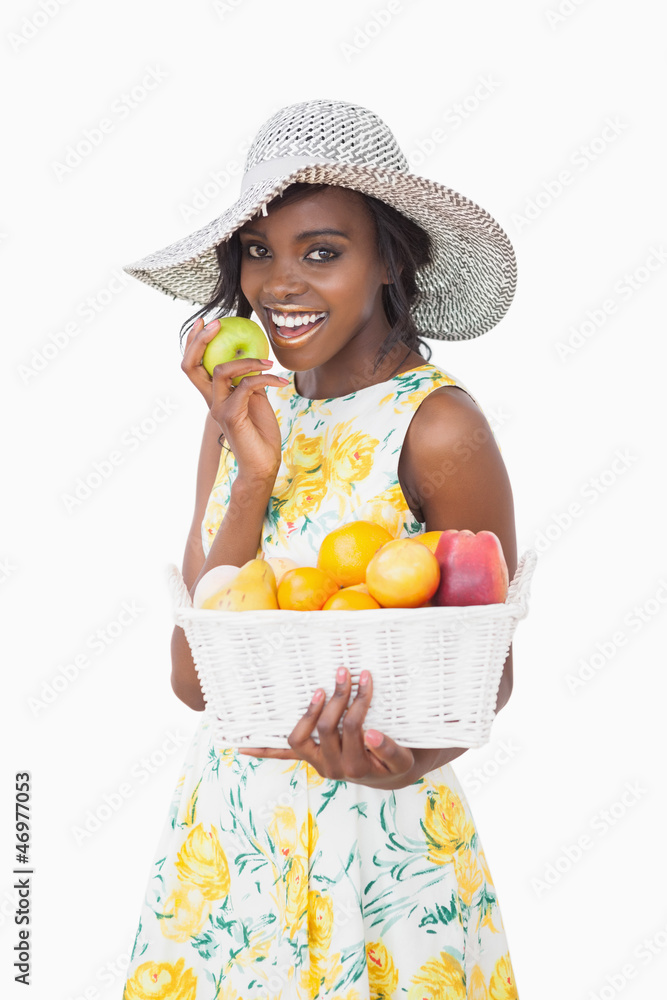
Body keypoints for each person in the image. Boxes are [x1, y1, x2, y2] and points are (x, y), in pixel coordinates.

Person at [120, 98, 519, 1000]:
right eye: (257, 252)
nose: (280, 284)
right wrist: (251, 471)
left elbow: (486, 675)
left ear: (388, 257)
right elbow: (197, 679)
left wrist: (396, 765)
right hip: (229, 845)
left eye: (322, 251)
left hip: (384, 856)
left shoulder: (437, 425)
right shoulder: (241, 418)